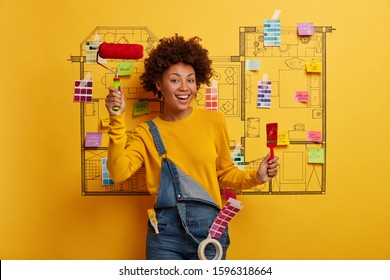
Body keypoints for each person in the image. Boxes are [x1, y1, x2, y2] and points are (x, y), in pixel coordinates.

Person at [105, 34, 279, 260]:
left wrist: (257, 176)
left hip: (210, 232)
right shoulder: (146, 132)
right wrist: (116, 119)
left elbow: (225, 173)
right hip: (165, 236)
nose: (184, 87)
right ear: (159, 84)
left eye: (190, 79)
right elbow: (118, 172)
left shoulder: (214, 122)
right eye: (175, 80)